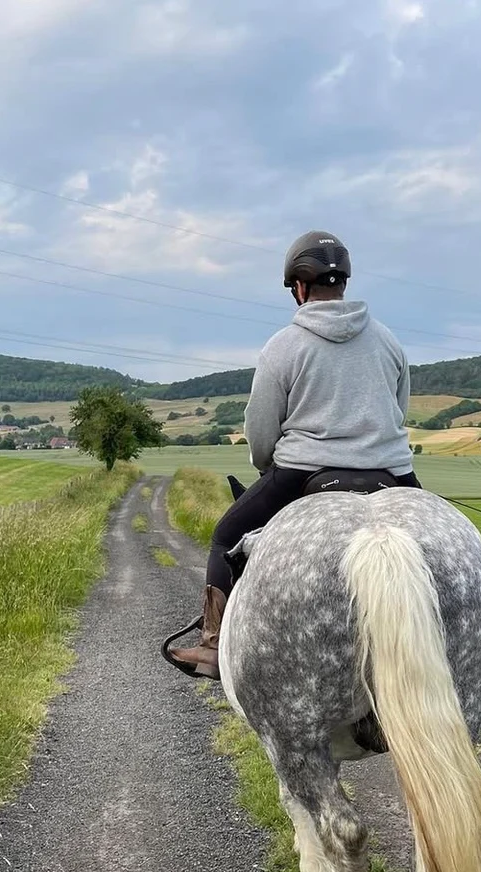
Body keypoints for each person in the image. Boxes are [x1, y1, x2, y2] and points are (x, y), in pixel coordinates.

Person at [168, 230, 420, 679]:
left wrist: (265, 465)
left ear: (300, 287)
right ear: (342, 282)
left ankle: (212, 646)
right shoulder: (389, 343)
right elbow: (399, 412)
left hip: (304, 471)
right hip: (391, 472)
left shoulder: (283, 346)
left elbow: (261, 430)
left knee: (226, 537)